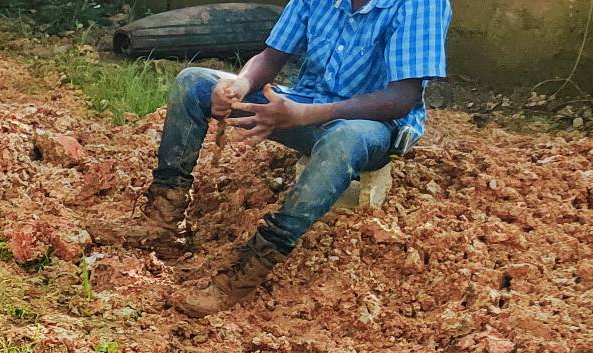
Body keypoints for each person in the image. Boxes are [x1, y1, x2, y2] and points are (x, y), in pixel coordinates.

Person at [139, 0, 450, 316]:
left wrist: (306, 115)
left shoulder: (420, 4)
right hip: (305, 105)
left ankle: (253, 265)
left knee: (343, 136)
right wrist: (240, 84)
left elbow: (400, 99)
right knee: (193, 82)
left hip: (374, 129)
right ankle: (162, 216)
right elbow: (271, 57)